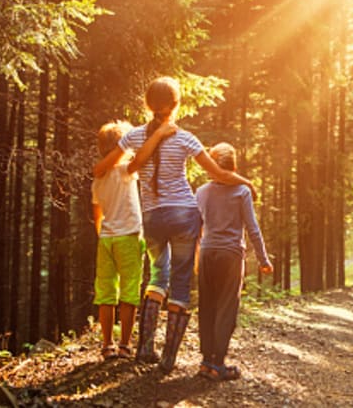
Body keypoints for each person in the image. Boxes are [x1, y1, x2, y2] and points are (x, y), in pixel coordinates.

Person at [93, 76, 255, 373]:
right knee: (180, 284)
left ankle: (144, 348)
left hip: (152, 218)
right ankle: (168, 358)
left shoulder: (133, 137)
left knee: (157, 276)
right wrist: (246, 182)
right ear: (176, 105)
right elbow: (218, 174)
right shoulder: (185, 138)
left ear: (147, 104)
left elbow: (108, 167)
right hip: (183, 215)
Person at [195, 142, 273, 381]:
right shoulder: (242, 192)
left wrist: (194, 256)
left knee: (206, 306)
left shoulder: (202, 192)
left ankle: (206, 361)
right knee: (226, 308)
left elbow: (195, 227)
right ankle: (218, 363)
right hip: (230, 256)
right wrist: (263, 259)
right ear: (233, 166)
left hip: (208, 253)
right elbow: (252, 228)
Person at [91, 120, 143, 360]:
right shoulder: (126, 172)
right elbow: (141, 157)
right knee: (129, 289)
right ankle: (124, 344)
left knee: (106, 292)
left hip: (106, 239)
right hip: (129, 236)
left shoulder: (98, 180)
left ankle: (106, 344)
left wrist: (105, 234)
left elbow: (97, 216)